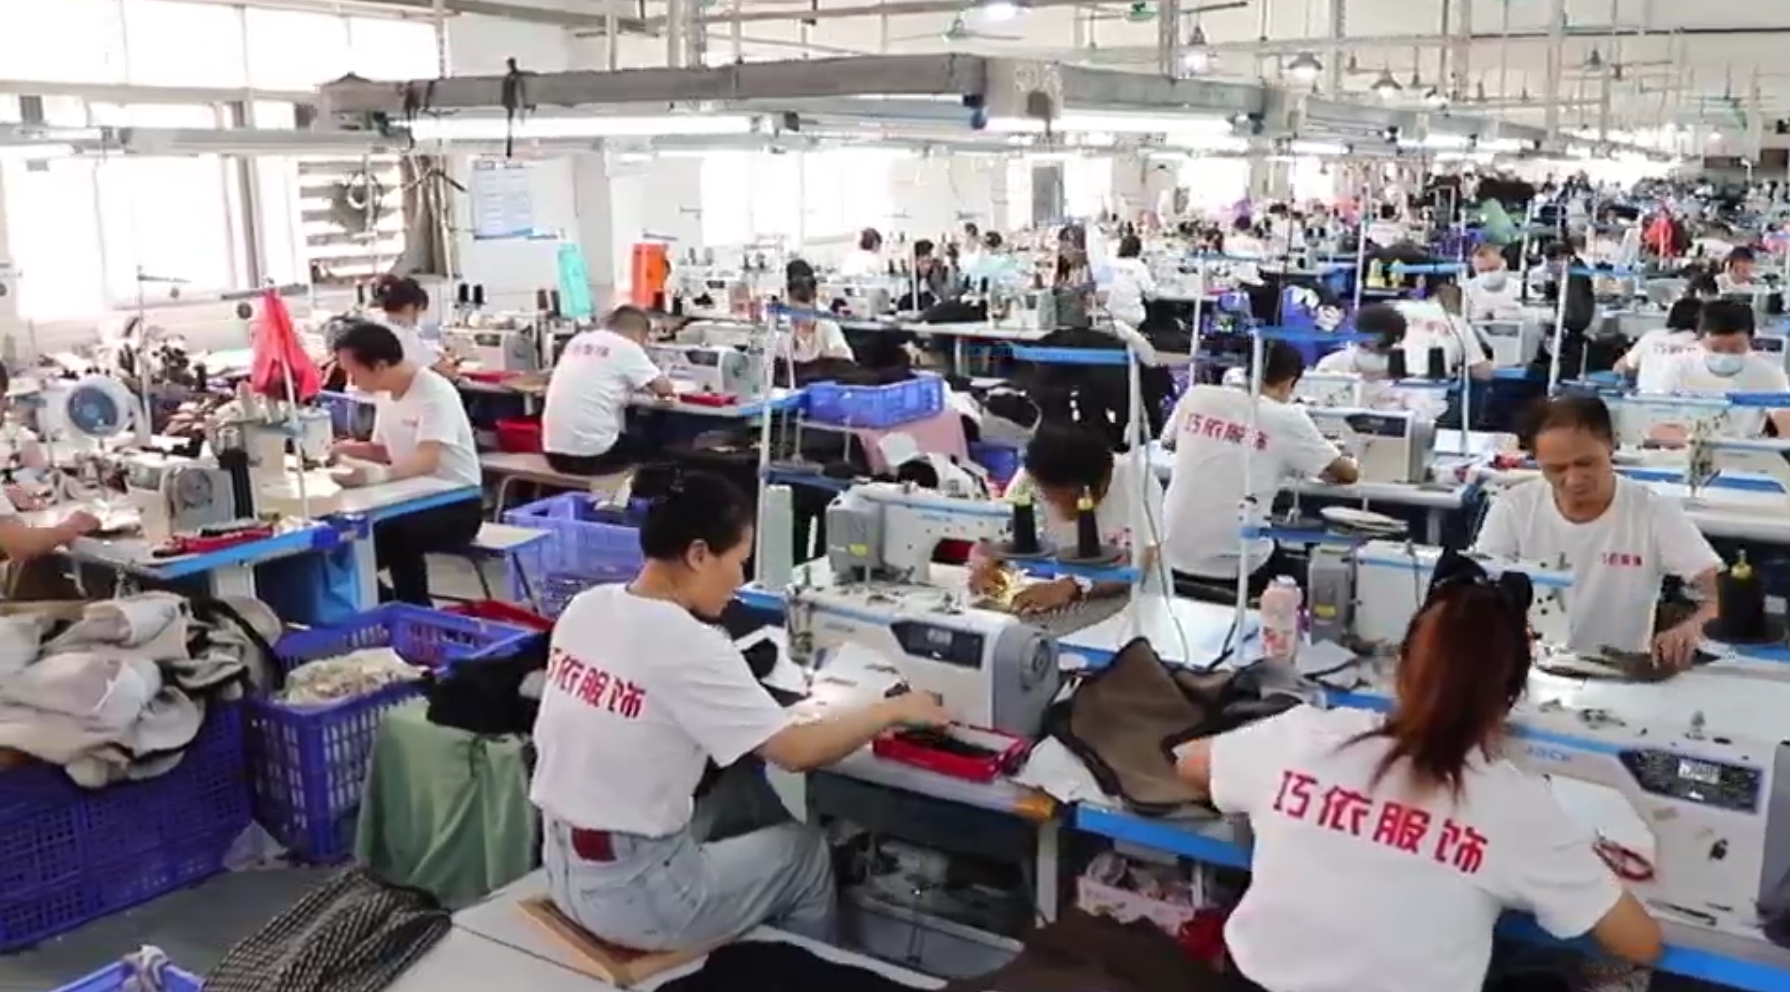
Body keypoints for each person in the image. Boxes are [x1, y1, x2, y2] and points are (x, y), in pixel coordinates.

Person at [1173, 564, 1663, 992]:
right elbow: (1639, 943)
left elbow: (1190, 762)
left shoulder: (1307, 735)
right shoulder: (1517, 810)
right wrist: (1573, 861)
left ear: (1399, 667)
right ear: (1511, 698)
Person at [532, 472, 950, 952]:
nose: (740, 580)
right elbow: (795, 752)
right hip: (639, 899)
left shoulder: (586, 606)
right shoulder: (691, 643)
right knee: (804, 851)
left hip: (561, 867)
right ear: (698, 554)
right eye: (738, 561)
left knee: (742, 791)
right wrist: (892, 709)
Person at [1474, 395, 1721, 664]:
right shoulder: (1514, 508)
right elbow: (1477, 593)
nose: (1573, 480)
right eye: (1556, 469)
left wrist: (1691, 629)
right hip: (1529, 667)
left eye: (1586, 463)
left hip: (1620, 671)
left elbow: (1724, 595)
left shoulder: (1652, 512)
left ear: (1610, 445)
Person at [1163, 341, 1359, 596]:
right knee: (1306, 575)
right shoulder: (1287, 418)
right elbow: (1346, 474)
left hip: (1171, 551)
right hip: (1237, 562)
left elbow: (1169, 441)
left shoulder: (1198, 396)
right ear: (1289, 382)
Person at [329, 320, 484, 605]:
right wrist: (338, 450)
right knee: (345, 545)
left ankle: (413, 610)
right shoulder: (385, 394)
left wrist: (376, 476)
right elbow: (381, 450)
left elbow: (426, 461)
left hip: (456, 504)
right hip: (411, 498)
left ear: (379, 366)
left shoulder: (434, 394)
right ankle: (392, 605)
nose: (351, 382)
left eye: (353, 373)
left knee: (387, 536)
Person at [972, 423, 1164, 611]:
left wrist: (1071, 587)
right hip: (1065, 600)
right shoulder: (1030, 481)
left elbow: (1144, 557)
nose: (1058, 507)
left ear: (1103, 480)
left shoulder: (1136, 480)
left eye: (1068, 498)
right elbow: (1001, 538)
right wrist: (990, 565)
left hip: (1139, 603)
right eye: (1050, 496)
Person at [543, 306, 677, 476]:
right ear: (639, 333)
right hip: (593, 456)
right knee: (660, 447)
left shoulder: (577, 341)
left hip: (554, 455)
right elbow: (665, 389)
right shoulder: (627, 347)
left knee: (630, 434)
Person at [1655, 299, 1790, 438]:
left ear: (1750, 340)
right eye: (1715, 348)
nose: (1725, 355)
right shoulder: (1679, 367)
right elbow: (1659, 421)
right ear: (1700, 338)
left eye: (1735, 349)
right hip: (1688, 444)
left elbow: (1785, 419)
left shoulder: (1768, 374)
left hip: (1746, 446)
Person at [1614, 297, 1702, 394]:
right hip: (1685, 399)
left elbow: (1619, 367)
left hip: (1645, 398)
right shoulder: (1702, 342)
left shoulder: (1651, 336)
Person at [370, 275, 454, 374]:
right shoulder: (403, 336)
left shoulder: (377, 324)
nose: (420, 316)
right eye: (420, 310)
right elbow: (437, 367)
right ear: (410, 307)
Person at [779, 281, 854, 365]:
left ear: (814, 305)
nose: (798, 321)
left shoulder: (826, 323)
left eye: (802, 314)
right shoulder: (783, 322)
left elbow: (844, 361)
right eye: (793, 314)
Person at [1102, 234, 1156, 330]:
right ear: (1138, 250)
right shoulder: (1139, 266)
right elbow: (1151, 294)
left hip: (1111, 313)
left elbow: (1101, 285)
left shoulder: (1109, 263)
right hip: (1131, 316)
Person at [1463, 243, 1523, 319]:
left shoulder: (1520, 289)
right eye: (1482, 271)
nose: (1487, 275)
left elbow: (1534, 317)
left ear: (1503, 264)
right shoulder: (1467, 291)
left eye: (1492, 269)